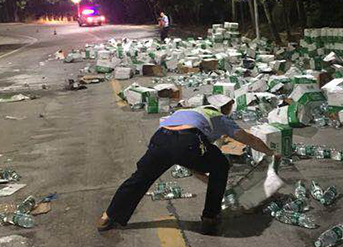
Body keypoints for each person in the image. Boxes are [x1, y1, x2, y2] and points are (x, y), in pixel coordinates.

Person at [97, 98, 277, 235]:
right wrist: (271, 153)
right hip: (187, 142)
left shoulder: (188, 112)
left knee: (140, 179)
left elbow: (187, 161)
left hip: (160, 139)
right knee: (221, 164)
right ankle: (209, 218)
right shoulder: (221, 118)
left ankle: (108, 216)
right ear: (224, 109)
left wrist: (208, 180)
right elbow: (249, 139)